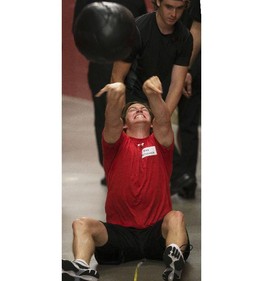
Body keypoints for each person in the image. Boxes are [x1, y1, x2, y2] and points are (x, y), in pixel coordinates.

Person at [62, 76, 191, 281]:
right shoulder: (115, 144)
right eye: (133, 110)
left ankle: (174, 260)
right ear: (124, 125)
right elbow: (112, 120)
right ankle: (81, 268)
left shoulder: (161, 142)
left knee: (176, 217)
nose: (139, 110)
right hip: (120, 235)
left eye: (144, 109)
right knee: (81, 224)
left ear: (151, 123)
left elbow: (164, 120)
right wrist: (117, 93)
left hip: (156, 233)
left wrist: (152, 95)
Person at [109, 0, 196, 194]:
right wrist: (122, 115)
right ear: (157, 2)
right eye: (168, 7)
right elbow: (117, 76)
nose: (174, 14)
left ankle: (171, 182)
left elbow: (177, 83)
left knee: (157, 149)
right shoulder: (136, 30)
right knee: (134, 154)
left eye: (179, 9)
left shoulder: (184, 38)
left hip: (158, 98)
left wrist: (162, 117)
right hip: (133, 97)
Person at [72, 0, 147, 186]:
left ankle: (112, 168)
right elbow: (142, 28)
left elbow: (78, 31)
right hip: (128, 63)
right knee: (134, 114)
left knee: (106, 116)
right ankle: (131, 169)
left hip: (105, 63)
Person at [174, 0, 201, 199]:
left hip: (191, 64)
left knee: (186, 124)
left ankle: (185, 178)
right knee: (187, 124)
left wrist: (185, 69)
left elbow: (197, 32)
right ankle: (185, 178)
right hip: (189, 62)